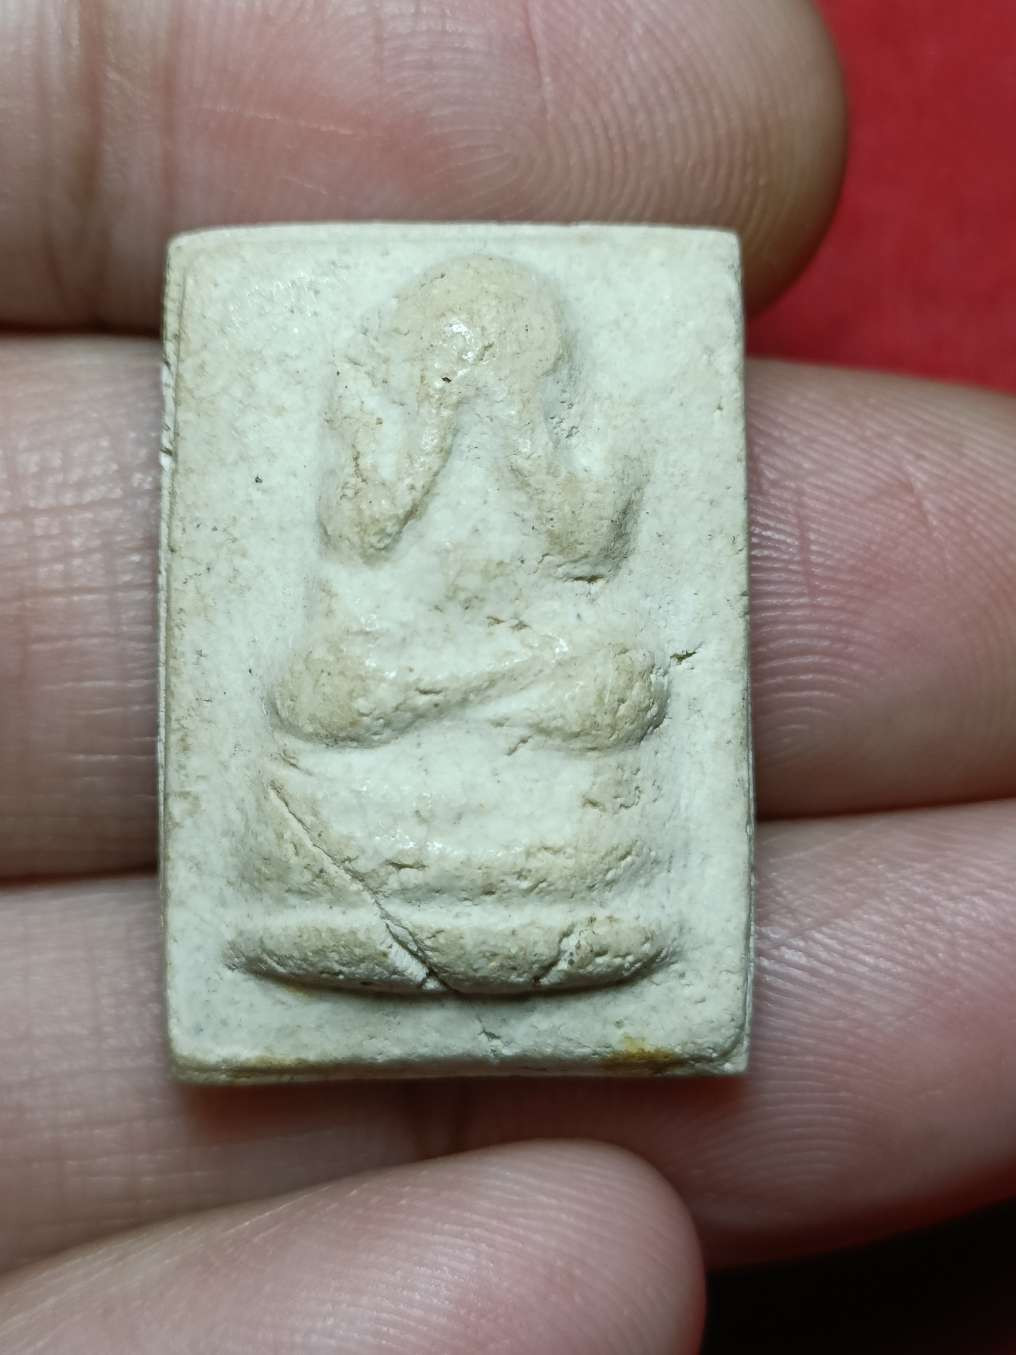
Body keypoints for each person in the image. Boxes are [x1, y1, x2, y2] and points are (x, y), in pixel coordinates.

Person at [0, 2, 1013, 1350]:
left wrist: (525, 470)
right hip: (402, 686)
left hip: (530, 685)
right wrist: (418, 453)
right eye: (447, 348)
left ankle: (459, 890)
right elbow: (355, 573)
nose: (466, 368)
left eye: (493, 349)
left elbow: (593, 579)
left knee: (611, 679)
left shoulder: (586, 445)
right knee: (320, 693)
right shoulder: (377, 430)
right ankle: (440, 888)